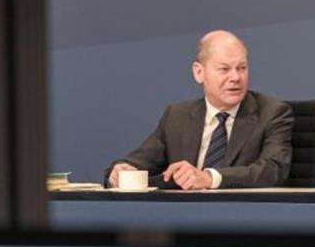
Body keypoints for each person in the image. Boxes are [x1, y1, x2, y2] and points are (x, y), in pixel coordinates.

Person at [105, 30, 294, 189]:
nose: (235, 77)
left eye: (242, 68)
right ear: (199, 72)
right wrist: (120, 171)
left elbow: (272, 171)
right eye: (224, 69)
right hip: (185, 217)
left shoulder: (272, 113)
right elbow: (138, 163)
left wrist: (209, 178)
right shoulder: (177, 117)